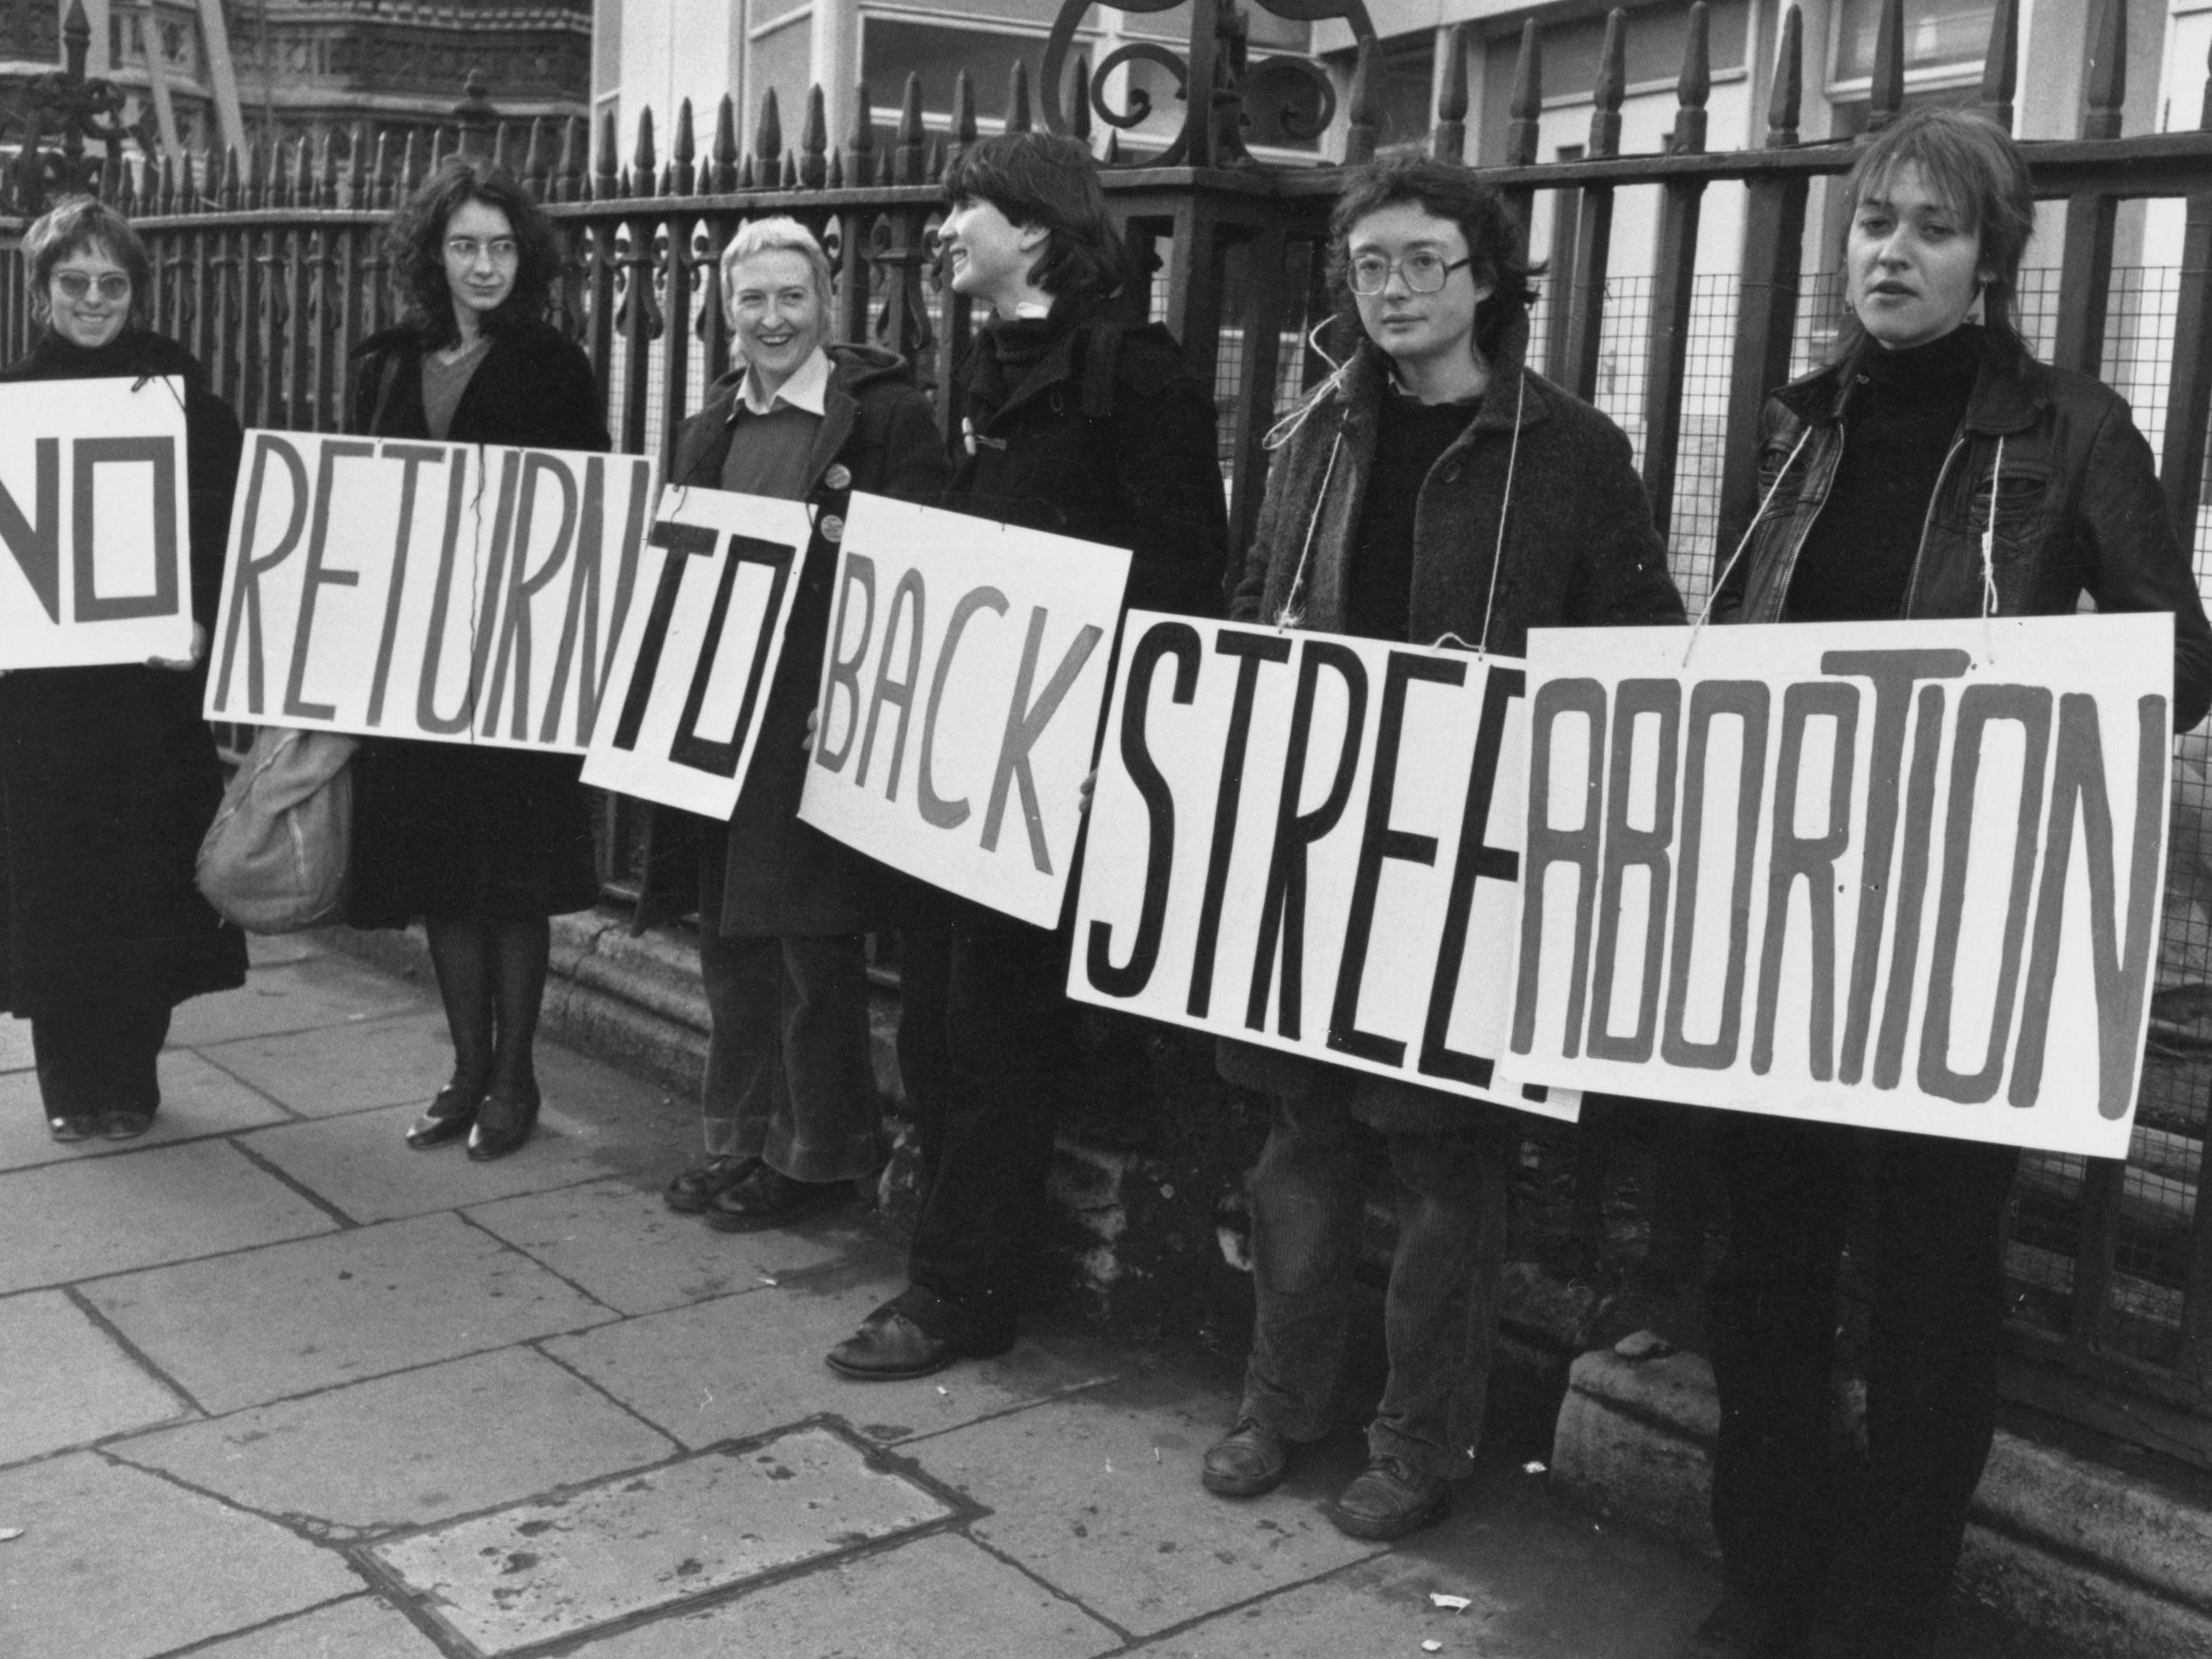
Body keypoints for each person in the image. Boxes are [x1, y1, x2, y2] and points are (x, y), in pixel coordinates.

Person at [1690, 107, 2212, 1659]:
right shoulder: (1802, 428)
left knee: (1928, 1282)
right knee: (1763, 1261)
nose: (1887, 253)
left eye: (1925, 227)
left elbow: (2172, 661)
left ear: (1988, 259)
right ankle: (1761, 1570)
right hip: (1787, 925)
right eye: (1868, 224)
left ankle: (1880, 1598)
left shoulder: (2068, 429)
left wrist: (1995, 698)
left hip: (1959, 932)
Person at [1197, 151, 1685, 1541]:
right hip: (1313, 846)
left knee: (1441, 1161)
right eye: (1369, 265)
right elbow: (1245, 607)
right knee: (1298, 1136)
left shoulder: (1571, 450)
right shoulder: (1311, 435)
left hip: (1468, 863)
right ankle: (1279, 1402)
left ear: (1484, 278)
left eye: (1422, 261)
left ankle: (1416, 1436)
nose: (1394, 289)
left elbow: (1633, 648)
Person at [824, 130, 1227, 1379]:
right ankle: (949, 1251)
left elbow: (1181, 575)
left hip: (1053, 766)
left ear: (1038, 230)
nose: (944, 229)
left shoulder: (1132, 374)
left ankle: (962, 1293)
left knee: (993, 1030)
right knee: (936, 1022)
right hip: (965, 758)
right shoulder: (986, 361)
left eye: (967, 208)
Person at [660, 217, 948, 1230]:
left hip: (817, 716)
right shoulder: (708, 428)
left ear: (828, 306)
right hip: (723, 717)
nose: (771, 318)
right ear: (725, 314)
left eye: (791, 297)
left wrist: (861, 680)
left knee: (809, 948)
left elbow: (915, 564)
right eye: (751, 300)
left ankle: (816, 1153)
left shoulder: (886, 419)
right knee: (732, 942)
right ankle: (741, 1138)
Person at [346, 158, 610, 1161]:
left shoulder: (553, 364)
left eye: (501, 246)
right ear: (433, 256)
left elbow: (584, 511)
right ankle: (464, 1069)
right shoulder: (386, 361)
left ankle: (516, 1079)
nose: (484, 264)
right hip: (417, 659)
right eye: (465, 246)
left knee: (514, 876)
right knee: (444, 875)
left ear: (524, 257)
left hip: (516, 658)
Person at [0, 199, 248, 1141]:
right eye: (75, 282)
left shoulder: (182, 398)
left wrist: (202, 623)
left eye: (113, 283)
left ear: (136, 292)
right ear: (41, 292)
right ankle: (71, 1080)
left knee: (145, 881)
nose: (95, 299)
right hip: (44, 700)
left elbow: (232, 528)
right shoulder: (11, 401)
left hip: (150, 691)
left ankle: (131, 1072)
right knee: (55, 883)